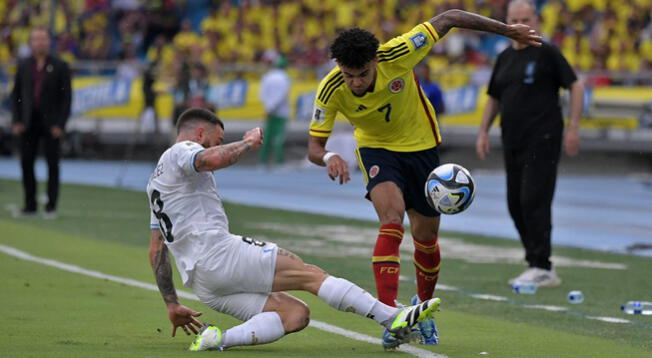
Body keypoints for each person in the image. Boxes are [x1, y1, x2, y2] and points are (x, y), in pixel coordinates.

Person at [307, 9, 541, 346]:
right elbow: (315, 146)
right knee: (391, 218)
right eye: (348, 75)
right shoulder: (330, 89)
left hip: (422, 149)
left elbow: (450, 17)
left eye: (361, 74)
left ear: (375, 60)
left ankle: (422, 308)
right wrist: (329, 157)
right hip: (376, 150)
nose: (355, 83)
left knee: (426, 237)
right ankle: (390, 316)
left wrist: (508, 31)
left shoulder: (398, 53)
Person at [146, 108, 441, 352]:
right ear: (200, 134)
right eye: (216, 139)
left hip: (202, 284)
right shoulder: (180, 152)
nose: (215, 145)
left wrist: (171, 303)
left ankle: (218, 339)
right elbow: (209, 159)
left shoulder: (155, 185)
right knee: (308, 274)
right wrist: (248, 142)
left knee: (295, 315)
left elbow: (157, 249)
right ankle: (391, 317)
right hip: (217, 254)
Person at [475, 0, 583, 287]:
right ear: (506, 23)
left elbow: (576, 85)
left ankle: (542, 265)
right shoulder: (504, 57)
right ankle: (534, 261)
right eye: (515, 19)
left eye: (526, 18)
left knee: (533, 200)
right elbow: (494, 97)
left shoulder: (546, 53)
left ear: (536, 20)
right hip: (512, 138)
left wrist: (573, 126)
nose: (522, 24)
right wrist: (483, 131)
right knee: (514, 204)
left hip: (544, 137)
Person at [11, 27, 72, 219]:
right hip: (28, 123)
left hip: (51, 124)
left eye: (43, 39)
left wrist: (60, 125)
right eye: (36, 39)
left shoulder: (60, 65)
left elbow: (66, 98)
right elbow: (17, 95)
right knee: (26, 162)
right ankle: (29, 205)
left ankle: (51, 206)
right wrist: (17, 120)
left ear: (49, 42)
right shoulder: (23, 65)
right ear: (30, 42)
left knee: (52, 164)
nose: (40, 43)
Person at [258, 52, 290, 167]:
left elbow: (262, 95)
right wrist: (272, 108)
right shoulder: (284, 78)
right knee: (279, 139)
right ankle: (279, 162)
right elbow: (281, 96)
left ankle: (263, 161)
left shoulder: (267, 77)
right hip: (280, 113)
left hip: (269, 112)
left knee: (266, 138)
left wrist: (268, 108)